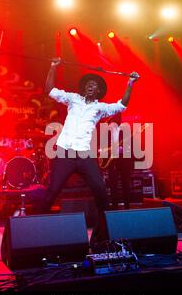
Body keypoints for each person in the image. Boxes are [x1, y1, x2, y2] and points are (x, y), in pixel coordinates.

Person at [39, 58, 140, 247]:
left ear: (99, 91)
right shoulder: (72, 99)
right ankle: (35, 228)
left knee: (101, 192)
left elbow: (121, 105)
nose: (91, 86)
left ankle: (105, 234)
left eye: (95, 85)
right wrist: (52, 67)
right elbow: (49, 89)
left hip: (84, 154)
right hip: (66, 152)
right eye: (88, 84)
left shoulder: (100, 108)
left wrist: (130, 84)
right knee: (53, 191)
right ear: (84, 88)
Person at [102, 113, 133, 210]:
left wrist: (120, 149)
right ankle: (115, 207)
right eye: (115, 117)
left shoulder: (125, 129)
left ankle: (127, 206)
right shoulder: (108, 130)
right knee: (113, 184)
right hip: (112, 161)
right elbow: (104, 145)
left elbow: (129, 145)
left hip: (123, 160)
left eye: (119, 117)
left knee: (125, 183)